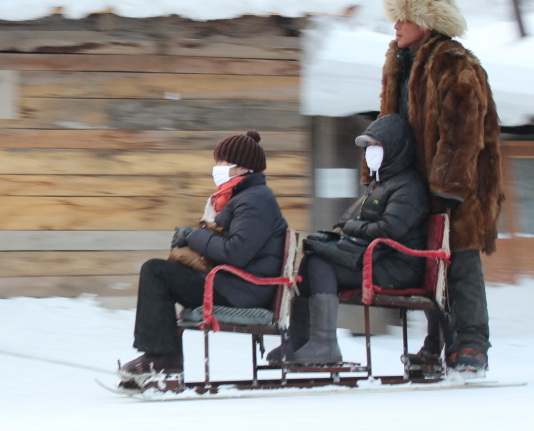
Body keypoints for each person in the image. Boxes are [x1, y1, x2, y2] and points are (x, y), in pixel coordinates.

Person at [380, 0, 504, 375]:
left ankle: (470, 345)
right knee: (430, 264)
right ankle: (436, 344)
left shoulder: (453, 62)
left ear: (428, 21)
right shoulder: (400, 62)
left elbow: (463, 130)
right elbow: (389, 124)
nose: (396, 25)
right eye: (394, 17)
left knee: (461, 260)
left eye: (404, 17)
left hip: (461, 184)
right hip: (414, 184)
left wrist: (449, 186)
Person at [119, 131, 288, 380]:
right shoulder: (241, 198)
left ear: (241, 168)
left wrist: (192, 236)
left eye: (221, 162)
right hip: (235, 283)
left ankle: (163, 357)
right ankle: (163, 356)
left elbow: (236, 252)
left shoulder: (254, 200)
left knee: (156, 272)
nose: (216, 168)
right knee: (161, 272)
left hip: (246, 289)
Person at [268, 114, 430, 364]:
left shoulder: (409, 187)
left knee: (322, 263)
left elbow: (390, 230)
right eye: (368, 147)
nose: (370, 153)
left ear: (396, 148)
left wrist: (352, 227)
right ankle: (300, 341)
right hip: (379, 257)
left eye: (376, 146)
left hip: (400, 267)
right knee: (312, 258)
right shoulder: (383, 184)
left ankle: (325, 345)